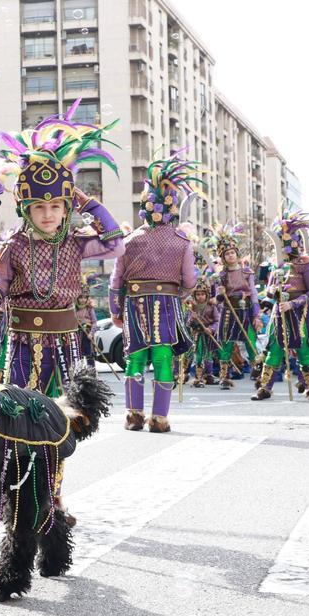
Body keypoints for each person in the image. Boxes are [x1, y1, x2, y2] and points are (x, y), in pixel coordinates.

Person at [0, 104, 125, 398]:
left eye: (56, 206)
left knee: (68, 411)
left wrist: (85, 202)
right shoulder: (10, 248)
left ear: (66, 209)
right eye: (39, 207)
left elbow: (116, 244)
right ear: (26, 209)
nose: (48, 214)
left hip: (67, 341)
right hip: (24, 342)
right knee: (23, 410)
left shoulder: (75, 243)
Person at [108, 151, 201, 432]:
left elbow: (115, 280)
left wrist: (115, 310)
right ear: (170, 208)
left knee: (134, 358)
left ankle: (133, 416)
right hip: (167, 304)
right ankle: (159, 419)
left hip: (134, 305)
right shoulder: (181, 242)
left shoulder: (129, 239)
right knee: (162, 358)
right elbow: (190, 281)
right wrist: (178, 296)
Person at [253, 213, 309, 402]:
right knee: (274, 351)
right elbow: (268, 291)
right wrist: (274, 290)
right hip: (280, 315)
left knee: (305, 351)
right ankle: (265, 388)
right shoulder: (276, 267)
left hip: (301, 314)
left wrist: (293, 302)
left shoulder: (306, 266)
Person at [211, 224, 257, 390]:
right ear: (223, 258)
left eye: (232, 252)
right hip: (228, 312)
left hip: (245, 310)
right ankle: (224, 377)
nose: (230, 256)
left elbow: (253, 293)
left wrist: (256, 314)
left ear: (237, 254)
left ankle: (258, 373)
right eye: (227, 254)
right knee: (226, 343)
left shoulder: (247, 272)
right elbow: (217, 298)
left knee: (251, 341)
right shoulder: (221, 276)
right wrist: (221, 293)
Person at [186, 280, 219, 387]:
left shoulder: (212, 307)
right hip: (196, 335)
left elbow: (217, 321)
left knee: (208, 355)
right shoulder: (191, 308)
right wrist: (192, 318)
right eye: (198, 294)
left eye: (203, 294)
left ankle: (208, 375)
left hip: (208, 335)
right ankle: (198, 377)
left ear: (207, 295)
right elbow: (187, 323)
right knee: (198, 356)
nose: (200, 296)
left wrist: (211, 329)